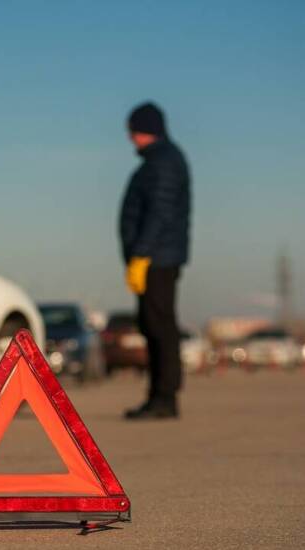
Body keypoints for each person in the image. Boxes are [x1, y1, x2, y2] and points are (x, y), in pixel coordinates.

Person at [119, 102, 191, 420]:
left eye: (133, 131)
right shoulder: (158, 161)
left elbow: (159, 213)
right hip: (155, 257)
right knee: (153, 326)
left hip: (157, 259)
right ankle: (158, 396)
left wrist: (141, 254)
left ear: (146, 130)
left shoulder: (163, 162)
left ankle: (165, 398)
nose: (130, 138)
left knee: (160, 328)